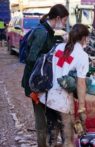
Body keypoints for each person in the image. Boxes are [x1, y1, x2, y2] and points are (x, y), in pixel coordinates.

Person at [20, 4, 69, 147]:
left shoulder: (48, 32)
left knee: (48, 118)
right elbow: (31, 58)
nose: (65, 24)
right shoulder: (42, 33)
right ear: (58, 18)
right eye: (65, 20)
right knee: (41, 121)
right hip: (36, 85)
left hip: (41, 84)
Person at [38, 24, 89, 146]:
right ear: (84, 38)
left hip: (47, 97)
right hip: (63, 102)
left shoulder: (59, 47)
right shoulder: (82, 55)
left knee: (52, 138)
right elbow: (81, 83)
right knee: (68, 141)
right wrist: (82, 109)